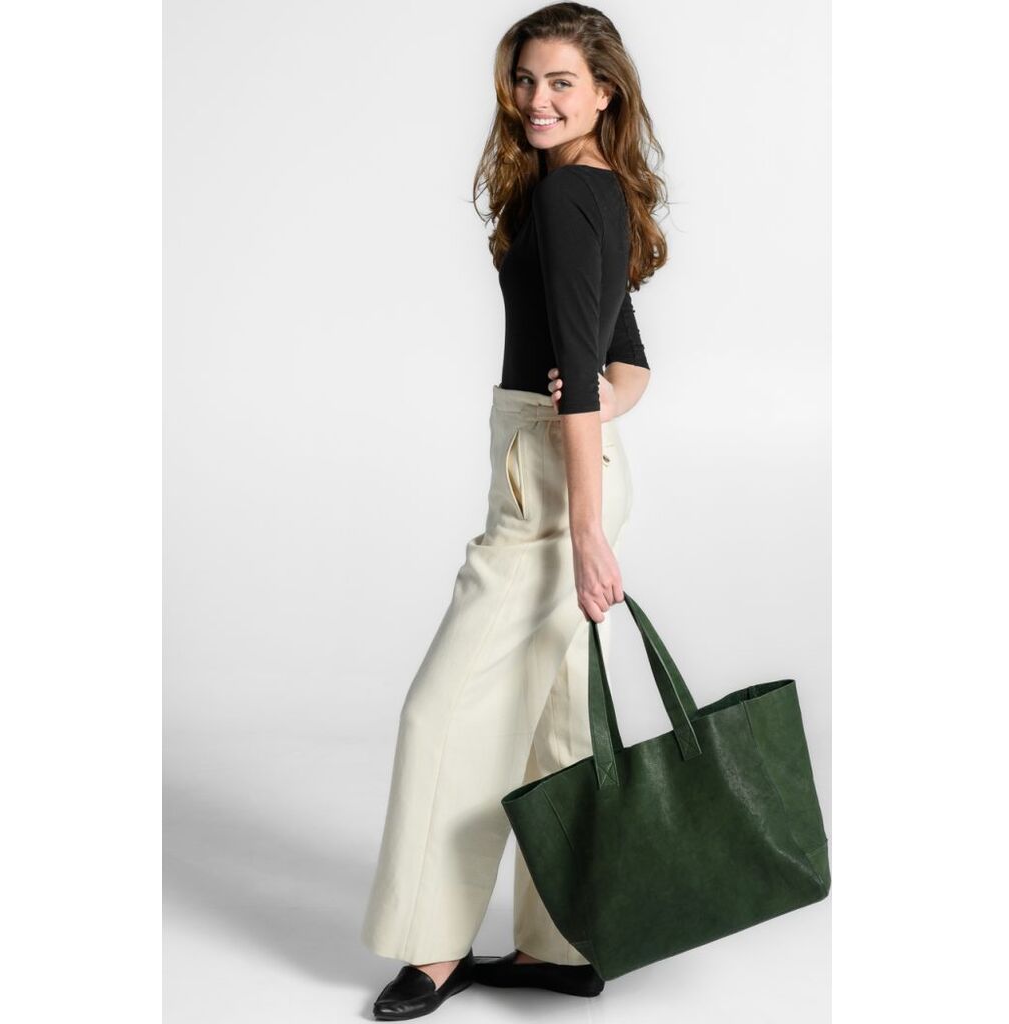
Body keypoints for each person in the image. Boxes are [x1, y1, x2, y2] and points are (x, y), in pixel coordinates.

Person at [362, 4, 668, 1018]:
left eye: (561, 82)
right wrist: (595, 410)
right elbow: (630, 365)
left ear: (605, 93)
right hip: (573, 457)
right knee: (554, 720)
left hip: (553, 477)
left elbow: (587, 369)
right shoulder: (594, 187)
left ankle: (430, 949)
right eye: (526, 80)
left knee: (441, 712)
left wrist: (582, 525)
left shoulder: (572, 195)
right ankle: (563, 945)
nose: (538, 100)